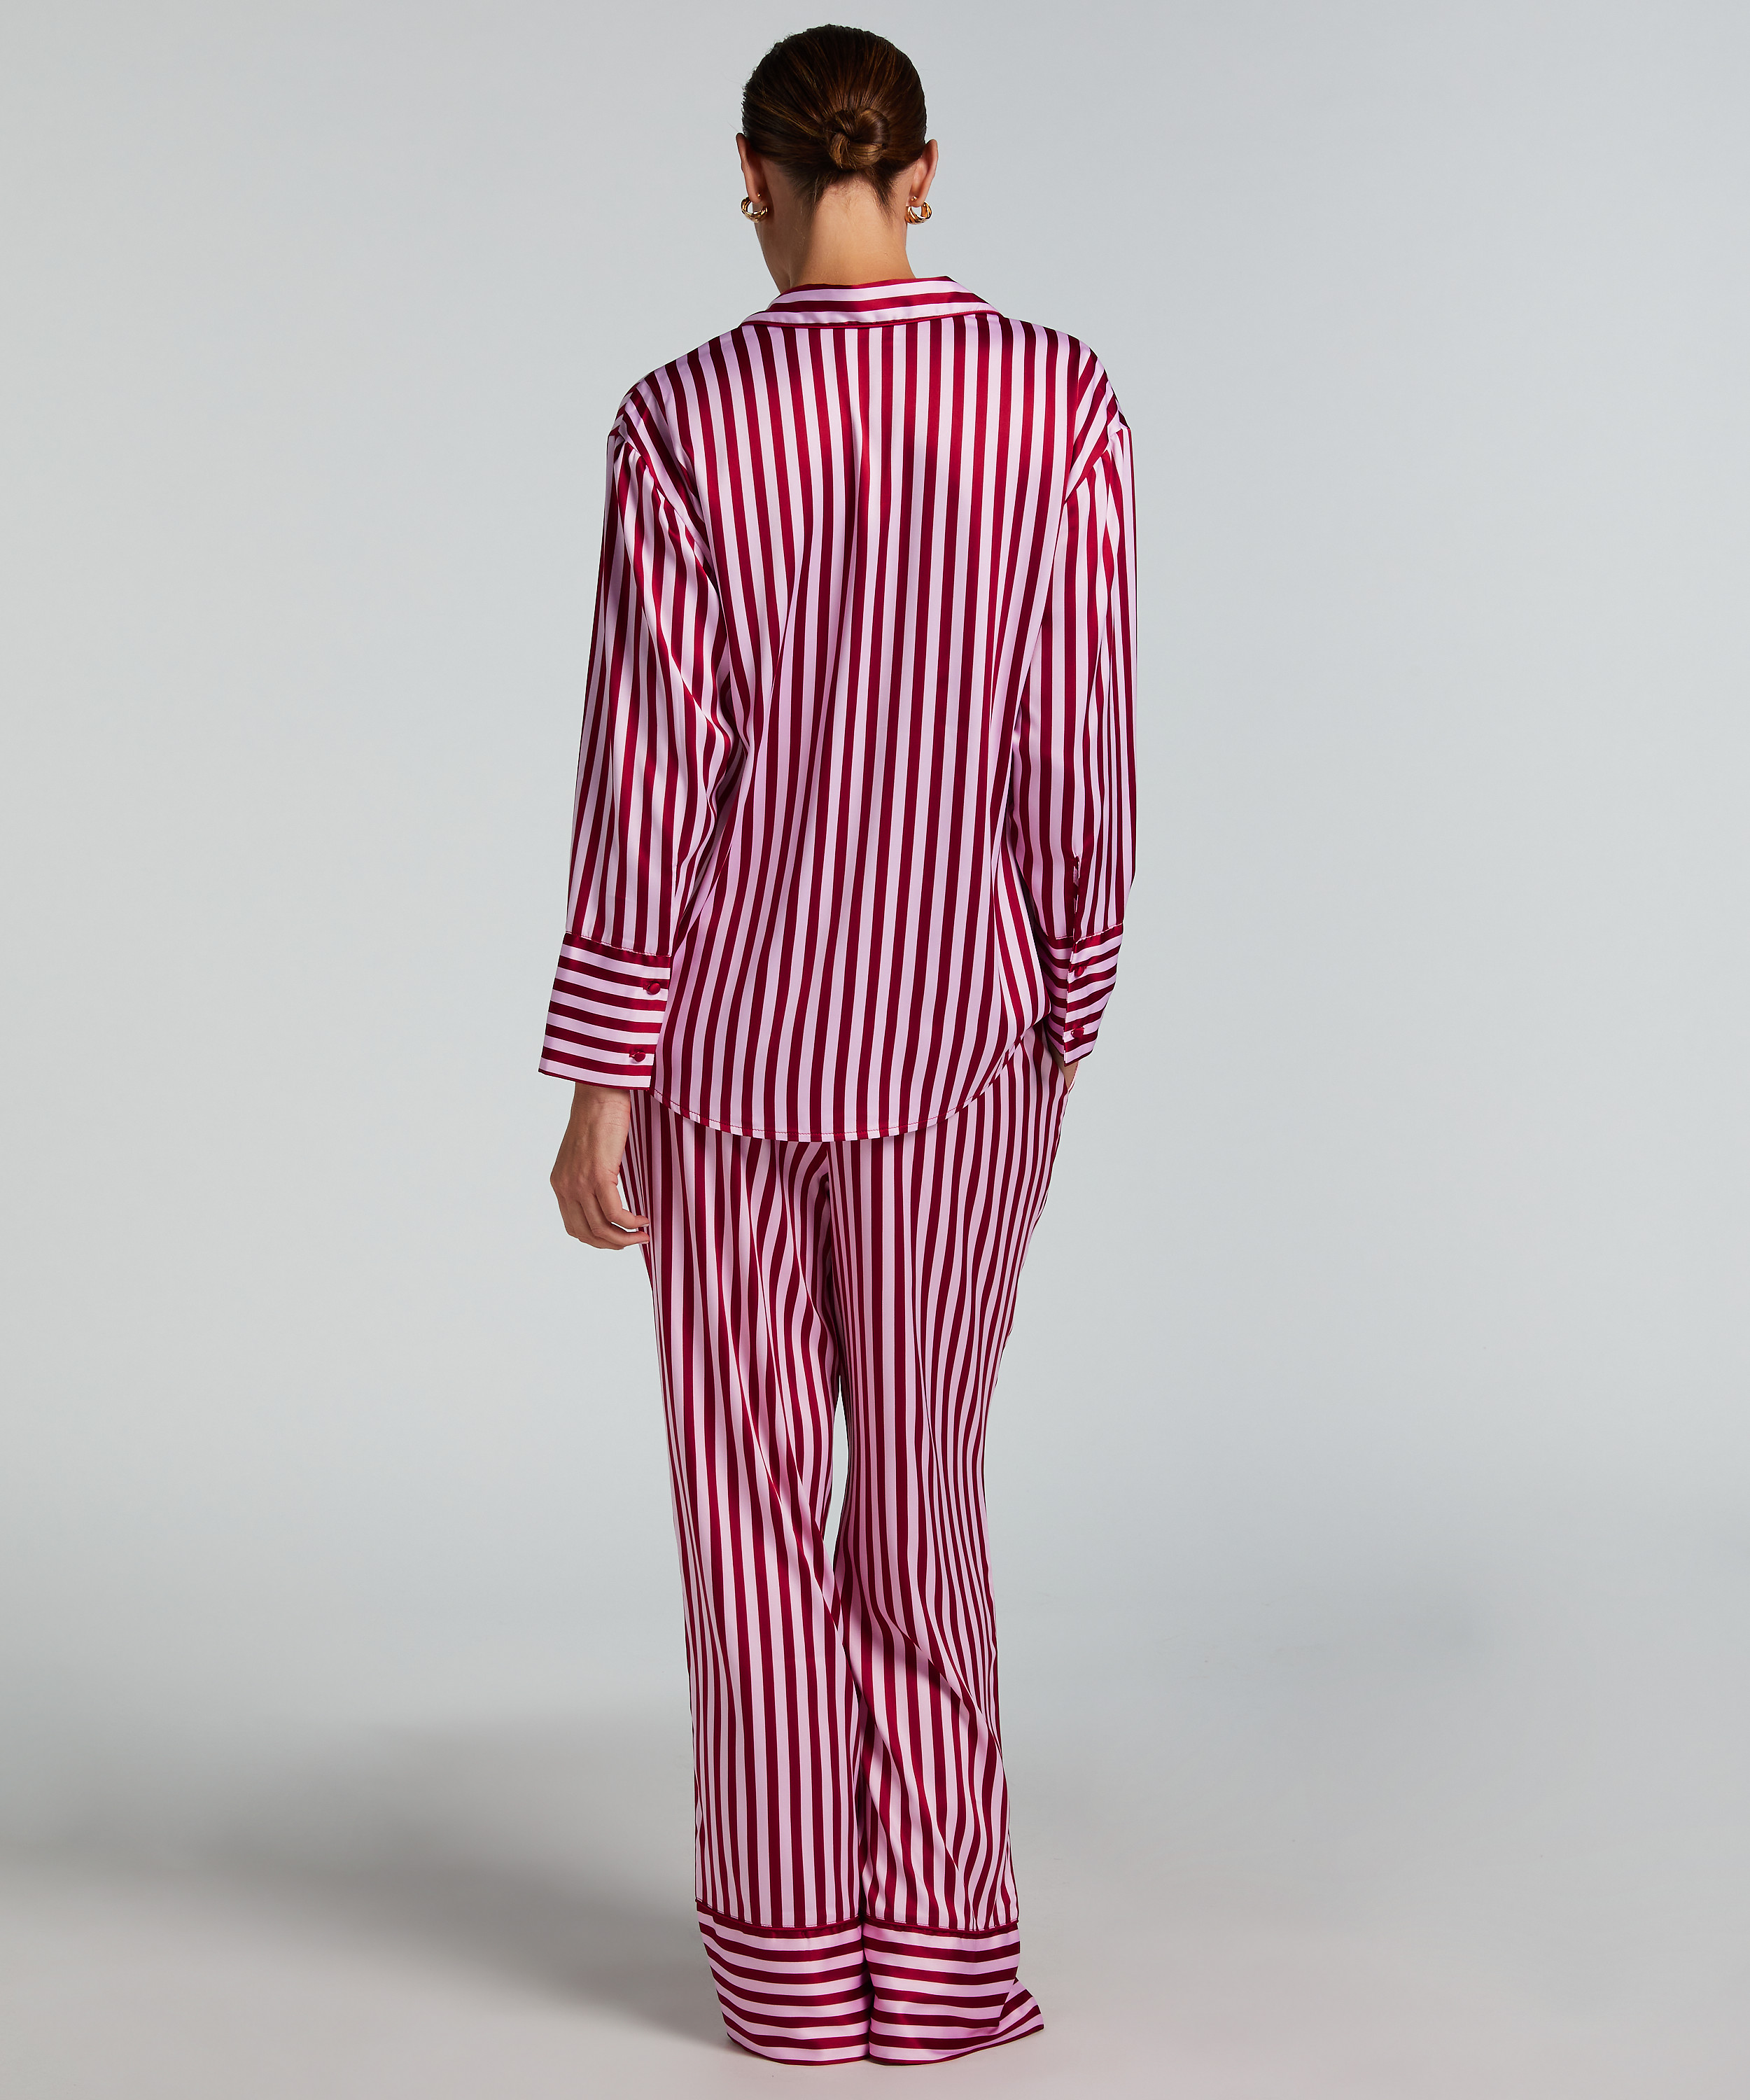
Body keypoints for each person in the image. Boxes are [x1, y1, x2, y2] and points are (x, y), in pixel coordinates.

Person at [542, 22, 1136, 2068]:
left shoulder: (683, 420)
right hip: (964, 1043)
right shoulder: (1056, 401)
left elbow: (647, 774)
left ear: (750, 174)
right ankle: (944, 1959)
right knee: (923, 1505)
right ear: (924, 170)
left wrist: (599, 1074)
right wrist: (1068, 996)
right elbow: (1075, 740)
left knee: (748, 1509)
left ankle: (793, 1973)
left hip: (722, 1051)